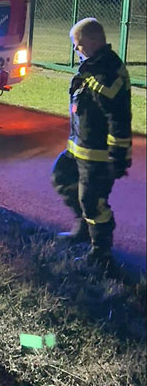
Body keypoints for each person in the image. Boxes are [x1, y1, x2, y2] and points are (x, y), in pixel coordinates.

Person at [51, 17, 132, 269]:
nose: (76, 51)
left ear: (94, 42)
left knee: (93, 201)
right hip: (78, 147)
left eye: (79, 45)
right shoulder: (93, 65)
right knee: (62, 178)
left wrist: (118, 156)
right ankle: (84, 228)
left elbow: (118, 118)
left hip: (97, 155)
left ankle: (102, 255)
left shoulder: (107, 72)